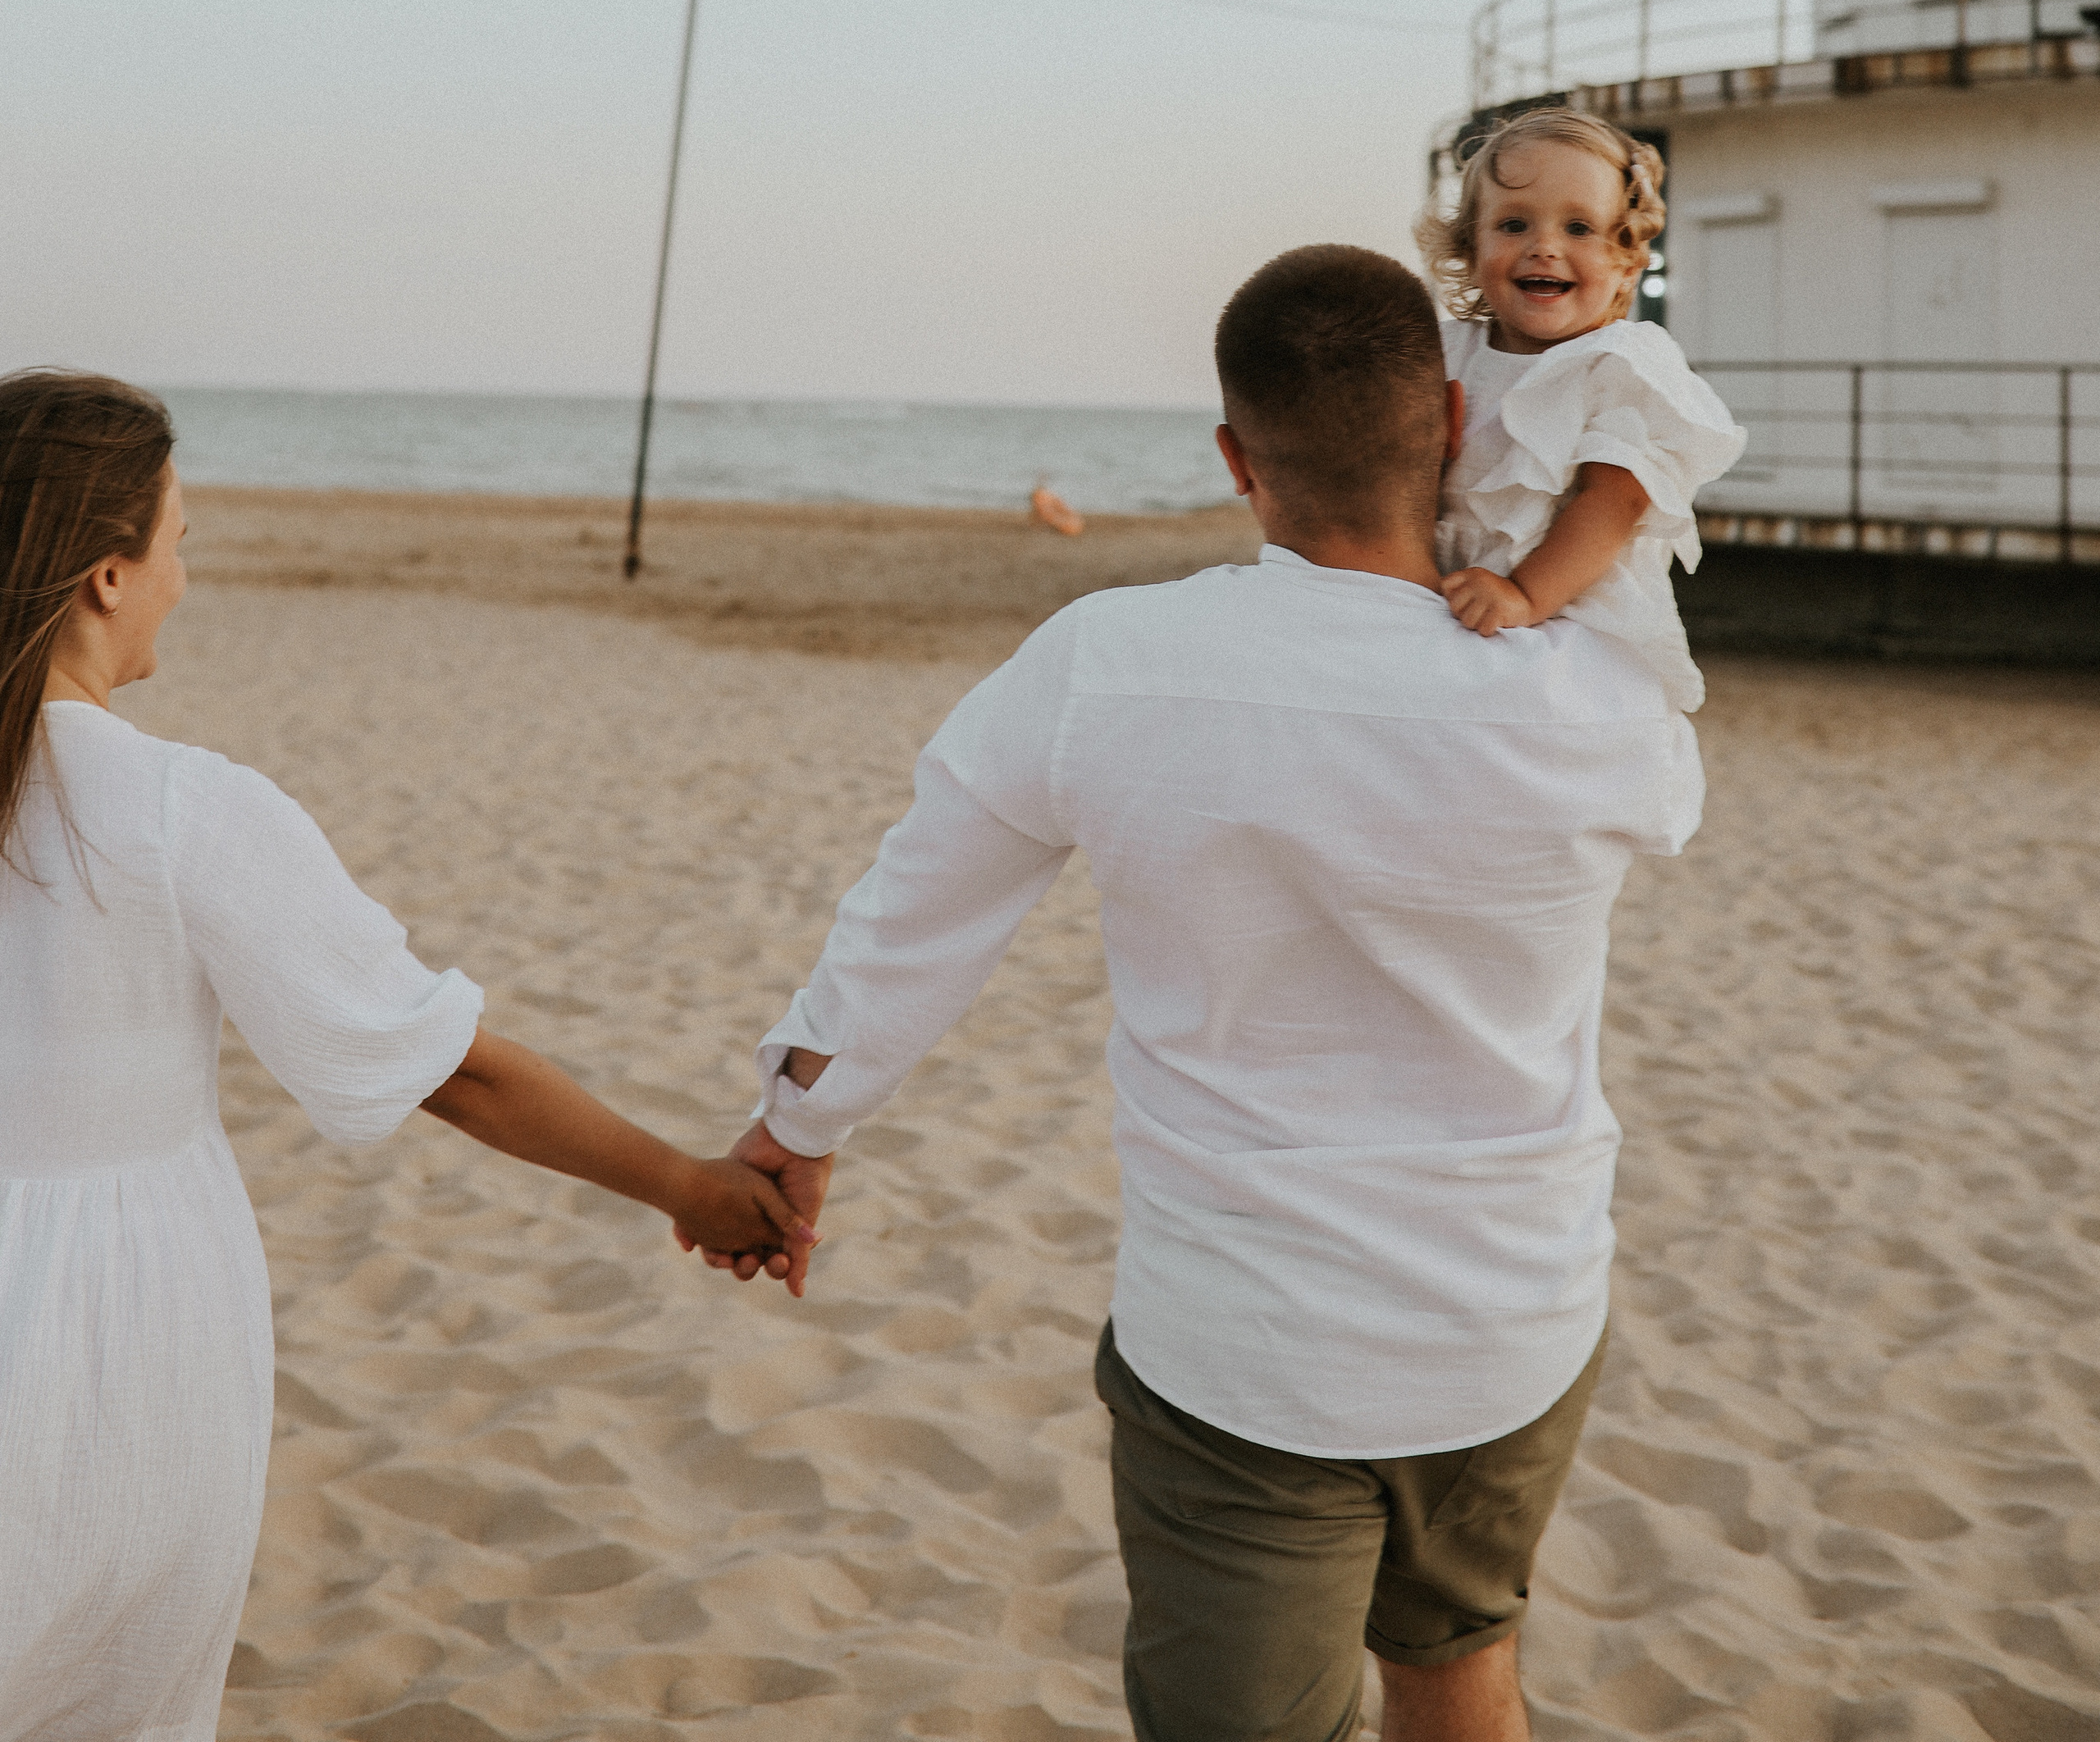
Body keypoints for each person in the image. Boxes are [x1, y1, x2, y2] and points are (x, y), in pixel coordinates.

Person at [707, 247, 1705, 1742]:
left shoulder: (1111, 663)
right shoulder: (1598, 705)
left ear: (1236, 456)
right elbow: (1663, 771)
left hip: (1246, 1346)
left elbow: (915, 922)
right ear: (1448, 418)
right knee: (1458, 1659)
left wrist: (801, 1126)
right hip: (1513, 1314)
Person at [0, 369, 812, 1742]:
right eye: (179, 546)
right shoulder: (180, 809)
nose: (186, 582)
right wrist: (688, 1185)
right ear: (103, 578)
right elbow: (457, 1072)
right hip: (115, 1323)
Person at [1416, 112, 1745, 710]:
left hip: (1565, 607)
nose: (1545, 246)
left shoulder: (1617, 364)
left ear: (1626, 257)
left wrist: (1524, 595)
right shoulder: (1447, 351)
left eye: (1579, 228)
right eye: (1513, 224)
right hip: (1454, 595)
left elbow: (1614, 501)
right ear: (1471, 244)